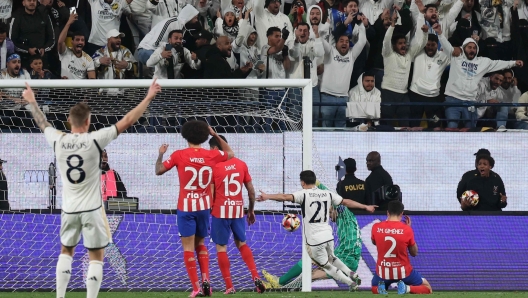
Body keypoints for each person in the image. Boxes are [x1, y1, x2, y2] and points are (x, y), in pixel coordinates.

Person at [15, 79, 161, 298]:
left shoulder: (58, 140)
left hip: (69, 209)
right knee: (96, 255)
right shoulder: (95, 140)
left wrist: (32, 102)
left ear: (68, 121)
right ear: (89, 121)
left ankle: (60, 296)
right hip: (92, 208)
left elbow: (42, 123)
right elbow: (128, 120)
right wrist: (148, 96)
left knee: (66, 251)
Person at [257, 170, 377, 291]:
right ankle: (282, 284)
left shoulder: (342, 212)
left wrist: (267, 196)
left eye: (330, 212)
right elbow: (343, 200)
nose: (329, 216)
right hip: (341, 251)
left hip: (343, 254)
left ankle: (279, 285)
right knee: (314, 268)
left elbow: (285, 196)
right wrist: (365, 206)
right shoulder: (335, 204)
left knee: (311, 267)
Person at [155, 120, 235, 298]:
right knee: (201, 244)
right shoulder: (211, 155)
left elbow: (159, 170)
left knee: (188, 248)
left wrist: (161, 154)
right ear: (204, 136)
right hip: (204, 207)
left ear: (185, 135)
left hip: (186, 208)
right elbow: (231, 153)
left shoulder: (179, 155)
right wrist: (215, 135)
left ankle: (196, 287)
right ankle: (207, 280)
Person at [208, 135, 266, 294]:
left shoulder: (214, 166)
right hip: (238, 210)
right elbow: (252, 192)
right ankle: (255, 277)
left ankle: (229, 286)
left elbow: (211, 194)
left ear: (214, 149)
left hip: (220, 211)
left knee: (221, 248)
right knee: (242, 244)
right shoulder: (241, 164)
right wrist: (251, 209)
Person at [371, 200, 432, 294]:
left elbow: (374, 242)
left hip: (383, 273)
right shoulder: (407, 229)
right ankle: (406, 288)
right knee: (427, 287)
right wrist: (409, 230)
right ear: (401, 213)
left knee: (374, 286)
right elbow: (414, 253)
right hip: (404, 273)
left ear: (388, 212)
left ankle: (380, 289)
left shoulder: (376, 227)